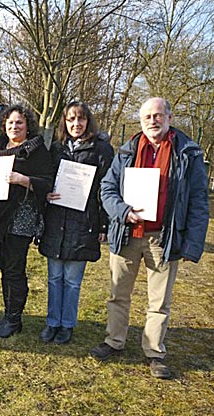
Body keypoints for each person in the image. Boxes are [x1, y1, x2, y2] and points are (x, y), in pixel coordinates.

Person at [90, 97, 209, 379]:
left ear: (169, 117)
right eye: (147, 117)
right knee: (118, 294)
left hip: (163, 237)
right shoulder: (127, 150)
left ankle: (155, 352)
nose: (153, 121)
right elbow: (107, 189)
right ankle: (114, 341)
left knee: (159, 301)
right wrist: (123, 212)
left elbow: (198, 200)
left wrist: (191, 244)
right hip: (127, 233)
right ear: (141, 121)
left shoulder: (187, 153)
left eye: (158, 116)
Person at [38, 101, 114, 344]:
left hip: (84, 222)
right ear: (64, 122)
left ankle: (67, 324)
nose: (76, 124)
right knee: (53, 277)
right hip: (56, 220)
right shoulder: (57, 147)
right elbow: (48, 178)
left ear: (88, 121)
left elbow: (106, 189)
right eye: (71, 119)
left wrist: (104, 224)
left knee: (72, 280)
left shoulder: (101, 150)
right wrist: (47, 192)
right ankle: (52, 322)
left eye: (80, 119)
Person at [0, 105, 54, 338]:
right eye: (10, 123)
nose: (14, 127)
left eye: (19, 123)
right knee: (4, 266)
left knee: (15, 269)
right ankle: (7, 315)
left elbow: (47, 182)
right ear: (4, 125)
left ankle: (14, 320)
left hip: (21, 218)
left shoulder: (37, 150)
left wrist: (23, 179)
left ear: (28, 126)